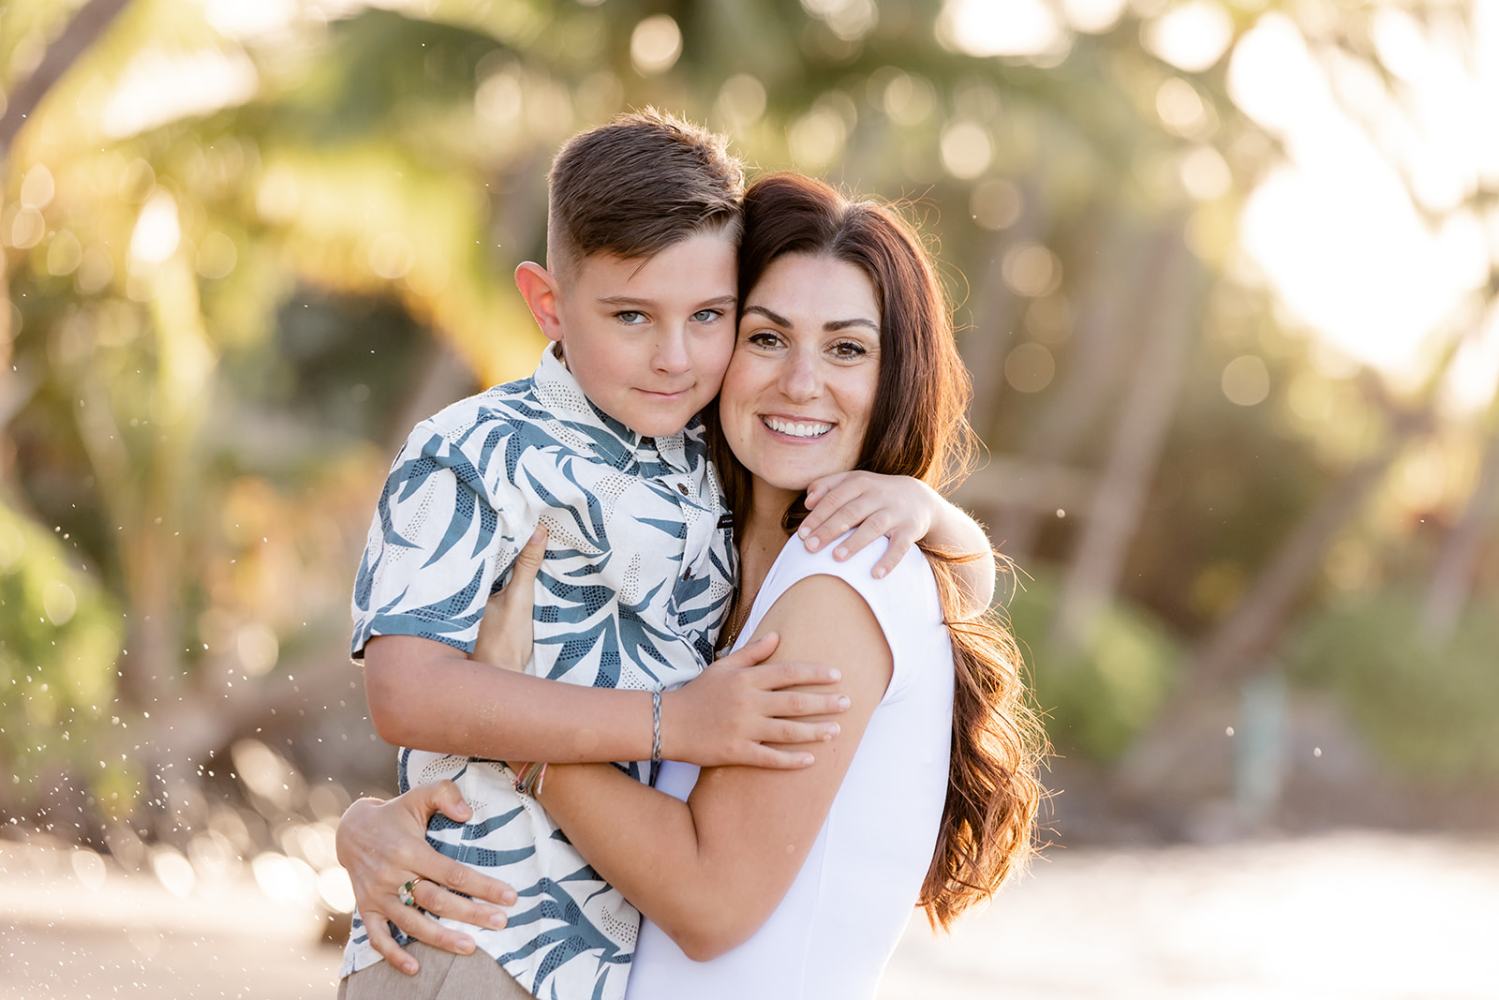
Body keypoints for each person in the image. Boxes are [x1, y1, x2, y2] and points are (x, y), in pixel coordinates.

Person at [339, 111, 999, 1000]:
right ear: (550, 305)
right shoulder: (510, 454)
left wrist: (930, 511)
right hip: (478, 940)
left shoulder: (840, 563)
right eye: (766, 337)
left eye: (709, 318)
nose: (676, 355)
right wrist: (363, 821)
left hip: (563, 964)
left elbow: (707, 896)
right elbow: (408, 692)